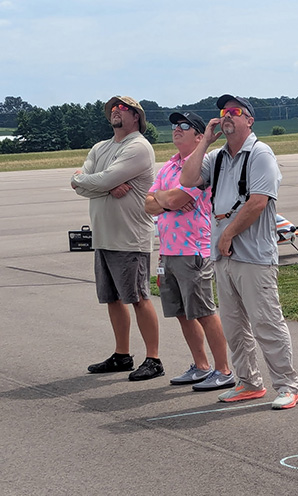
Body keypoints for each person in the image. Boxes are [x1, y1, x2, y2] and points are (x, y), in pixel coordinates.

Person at [180, 94, 298, 410]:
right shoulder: (217, 157)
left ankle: (288, 385)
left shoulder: (261, 154)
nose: (228, 116)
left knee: (266, 322)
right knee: (234, 325)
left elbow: (258, 202)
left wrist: (227, 235)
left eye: (236, 111)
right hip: (224, 256)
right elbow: (187, 178)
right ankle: (248, 382)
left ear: (249, 120)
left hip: (253, 255)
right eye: (224, 112)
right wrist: (205, 140)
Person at [71, 95, 163, 381]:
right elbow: (82, 181)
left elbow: (98, 179)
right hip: (103, 236)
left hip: (129, 237)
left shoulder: (138, 147)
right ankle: (122, 355)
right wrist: (104, 186)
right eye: (112, 108)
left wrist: (99, 182)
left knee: (137, 297)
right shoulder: (100, 147)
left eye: (122, 108)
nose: (115, 111)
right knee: (112, 298)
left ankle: (153, 359)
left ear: (136, 116)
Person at [145, 111, 234, 391]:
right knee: (182, 313)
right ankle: (201, 366)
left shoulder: (200, 167)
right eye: (174, 125)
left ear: (199, 136)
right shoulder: (169, 167)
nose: (177, 129)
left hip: (193, 250)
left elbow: (178, 197)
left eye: (185, 126)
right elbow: (147, 204)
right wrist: (165, 200)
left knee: (204, 311)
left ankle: (223, 369)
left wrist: (166, 199)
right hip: (168, 251)